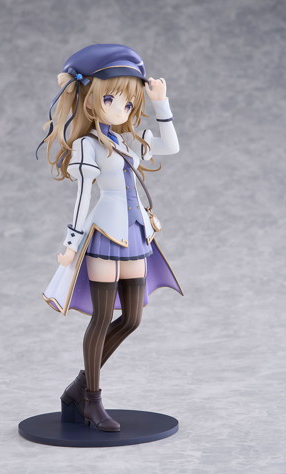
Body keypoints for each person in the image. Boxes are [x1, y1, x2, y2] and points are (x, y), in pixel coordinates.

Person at [36, 44, 183, 432]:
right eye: (110, 99)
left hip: (135, 234)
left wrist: (160, 102)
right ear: (89, 100)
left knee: (132, 318)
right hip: (104, 235)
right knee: (102, 318)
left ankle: (78, 388)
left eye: (129, 103)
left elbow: (170, 146)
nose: (121, 109)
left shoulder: (128, 141)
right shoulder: (87, 145)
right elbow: (83, 198)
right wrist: (70, 245)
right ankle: (92, 401)